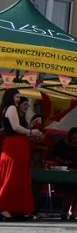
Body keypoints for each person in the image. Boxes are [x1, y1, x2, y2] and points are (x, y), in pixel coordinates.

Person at [0, 89, 42, 219]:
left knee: (18, 178)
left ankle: (16, 209)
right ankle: (3, 207)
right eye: (17, 96)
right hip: (14, 147)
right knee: (13, 177)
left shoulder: (10, 108)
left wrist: (30, 132)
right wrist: (32, 132)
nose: (18, 99)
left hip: (17, 145)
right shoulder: (11, 107)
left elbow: (15, 130)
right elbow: (16, 128)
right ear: (10, 97)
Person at [51, 127, 77, 220]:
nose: (75, 141)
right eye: (73, 138)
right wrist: (64, 161)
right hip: (66, 170)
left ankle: (73, 210)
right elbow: (54, 156)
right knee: (67, 191)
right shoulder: (62, 144)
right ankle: (64, 211)